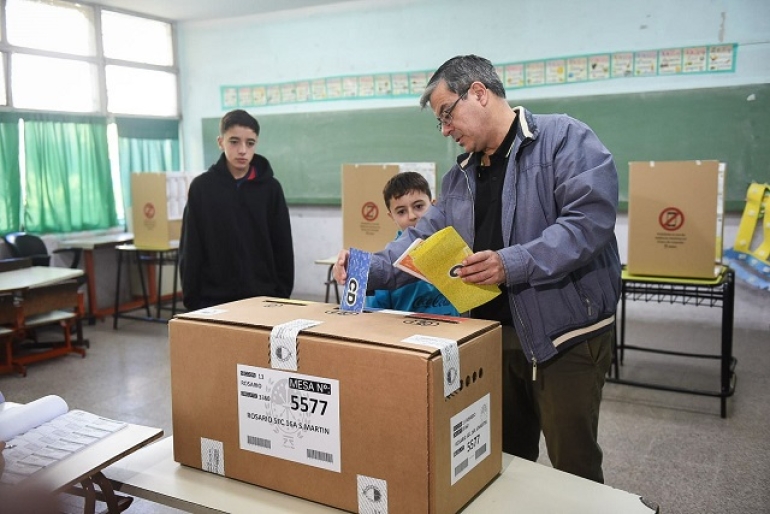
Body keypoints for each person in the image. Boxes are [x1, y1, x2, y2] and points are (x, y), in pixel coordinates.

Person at [333, 55, 621, 483]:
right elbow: (416, 245)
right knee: (502, 463)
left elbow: (587, 223)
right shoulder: (458, 179)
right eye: (440, 123)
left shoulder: (565, 139)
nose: (446, 130)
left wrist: (511, 264)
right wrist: (363, 267)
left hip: (565, 337)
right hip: (491, 339)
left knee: (573, 467)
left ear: (480, 93)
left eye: (447, 114)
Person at [180, 109, 294, 310]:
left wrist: (280, 295)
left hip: (263, 300)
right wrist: (193, 301)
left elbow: (282, 245)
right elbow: (191, 247)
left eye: (250, 143)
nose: (243, 150)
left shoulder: (270, 188)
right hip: (213, 302)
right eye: (234, 141)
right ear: (220, 142)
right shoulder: (202, 188)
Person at [365, 172, 459, 316]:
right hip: (403, 335)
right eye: (401, 211)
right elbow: (374, 315)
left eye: (419, 206)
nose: (412, 216)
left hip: (458, 332)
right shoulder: (386, 264)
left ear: (433, 206)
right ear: (391, 217)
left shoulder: (456, 248)